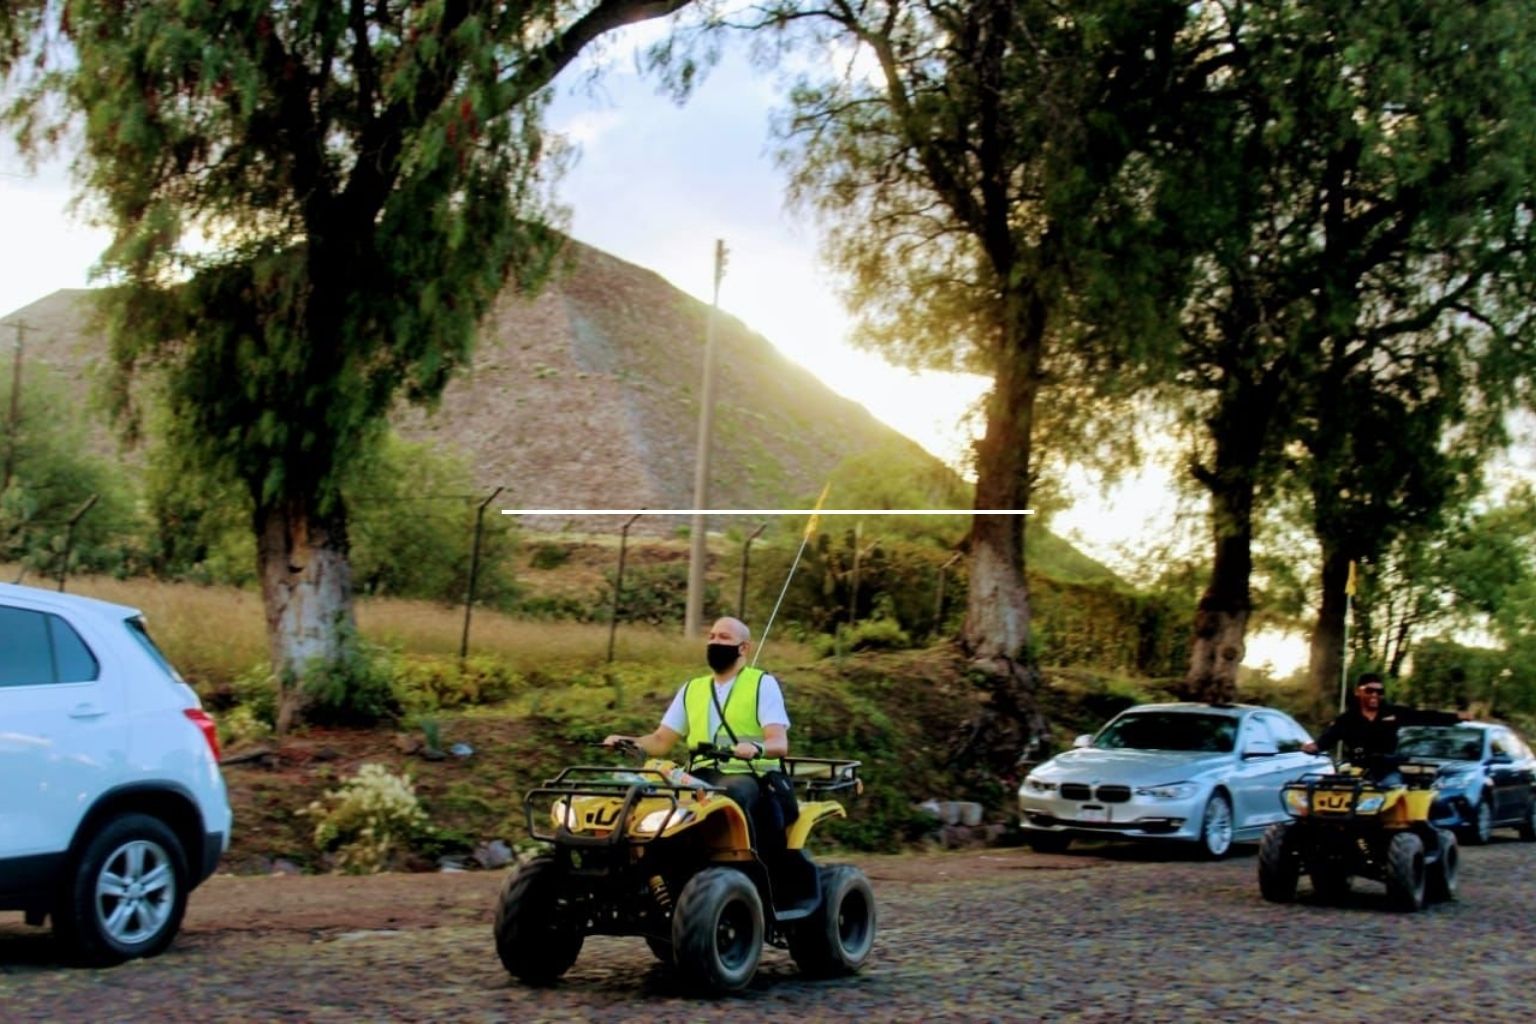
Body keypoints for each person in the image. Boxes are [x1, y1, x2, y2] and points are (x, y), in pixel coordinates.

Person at [603, 616, 791, 851]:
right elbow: (661, 741)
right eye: (711, 637)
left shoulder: (762, 684)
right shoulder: (692, 689)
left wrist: (756, 748)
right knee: (644, 796)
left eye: (724, 637)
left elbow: (779, 742)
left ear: (744, 648)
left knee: (730, 795)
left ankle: (743, 860)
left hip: (748, 775)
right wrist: (626, 741)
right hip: (697, 776)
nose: (714, 642)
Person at [1302, 672, 1468, 776]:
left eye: (1379, 692)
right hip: (1355, 771)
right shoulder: (1347, 719)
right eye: (1369, 691)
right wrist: (1315, 747)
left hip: (1387, 771)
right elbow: (1329, 738)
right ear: (1358, 692)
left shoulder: (1392, 713)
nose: (1375, 695)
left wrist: (1455, 717)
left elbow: (1424, 716)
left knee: (1395, 796)